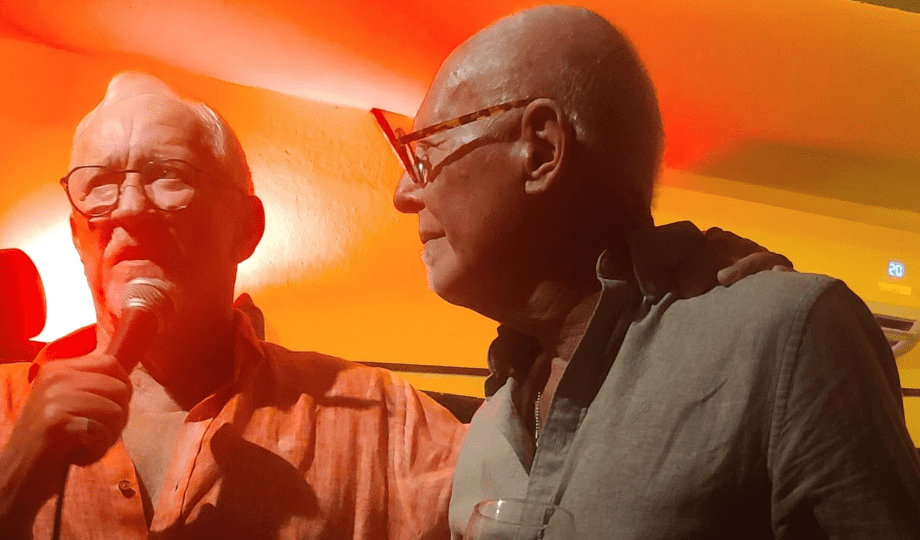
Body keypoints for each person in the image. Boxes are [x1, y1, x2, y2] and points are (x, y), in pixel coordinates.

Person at [380, 5, 920, 539]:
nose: (404, 195)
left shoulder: (788, 339)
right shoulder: (491, 420)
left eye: (423, 155)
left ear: (541, 149)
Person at [0, 72, 467, 540]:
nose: (129, 208)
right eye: (98, 184)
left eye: (168, 176)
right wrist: (1, 505)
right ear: (76, 235)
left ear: (247, 228)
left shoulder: (382, 420)